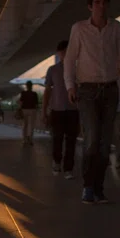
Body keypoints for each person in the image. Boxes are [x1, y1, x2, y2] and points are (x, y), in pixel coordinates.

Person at [64, 0, 120, 204]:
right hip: (87, 89)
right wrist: (70, 86)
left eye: (105, 2)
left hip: (110, 88)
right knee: (92, 138)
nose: (101, 6)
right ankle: (87, 186)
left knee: (105, 143)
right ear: (90, 6)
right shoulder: (79, 29)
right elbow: (70, 58)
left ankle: (98, 187)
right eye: (97, 2)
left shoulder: (116, 28)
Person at [43, 41, 78, 178]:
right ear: (58, 53)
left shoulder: (78, 70)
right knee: (57, 138)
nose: (64, 54)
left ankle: (68, 168)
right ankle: (57, 161)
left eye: (67, 51)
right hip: (56, 110)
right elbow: (47, 91)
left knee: (71, 140)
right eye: (62, 52)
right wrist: (44, 111)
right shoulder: (52, 70)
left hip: (73, 110)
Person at [18, 81, 39, 145]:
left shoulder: (23, 93)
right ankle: (30, 140)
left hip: (24, 110)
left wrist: (20, 109)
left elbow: (21, 102)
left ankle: (24, 140)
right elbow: (36, 104)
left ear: (26, 86)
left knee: (25, 125)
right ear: (31, 86)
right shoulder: (34, 94)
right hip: (32, 110)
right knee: (31, 125)